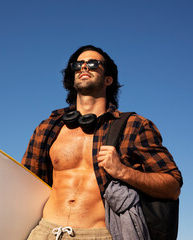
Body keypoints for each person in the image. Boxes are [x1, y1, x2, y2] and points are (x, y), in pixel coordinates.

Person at [22, 45, 182, 240]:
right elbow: (24, 183)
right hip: (45, 232)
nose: (84, 68)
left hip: (99, 235)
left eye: (92, 63)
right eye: (78, 64)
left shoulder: (134, 126)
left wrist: (124, 171)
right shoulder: (49, 127)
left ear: (108, 79)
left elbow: (172, 186)